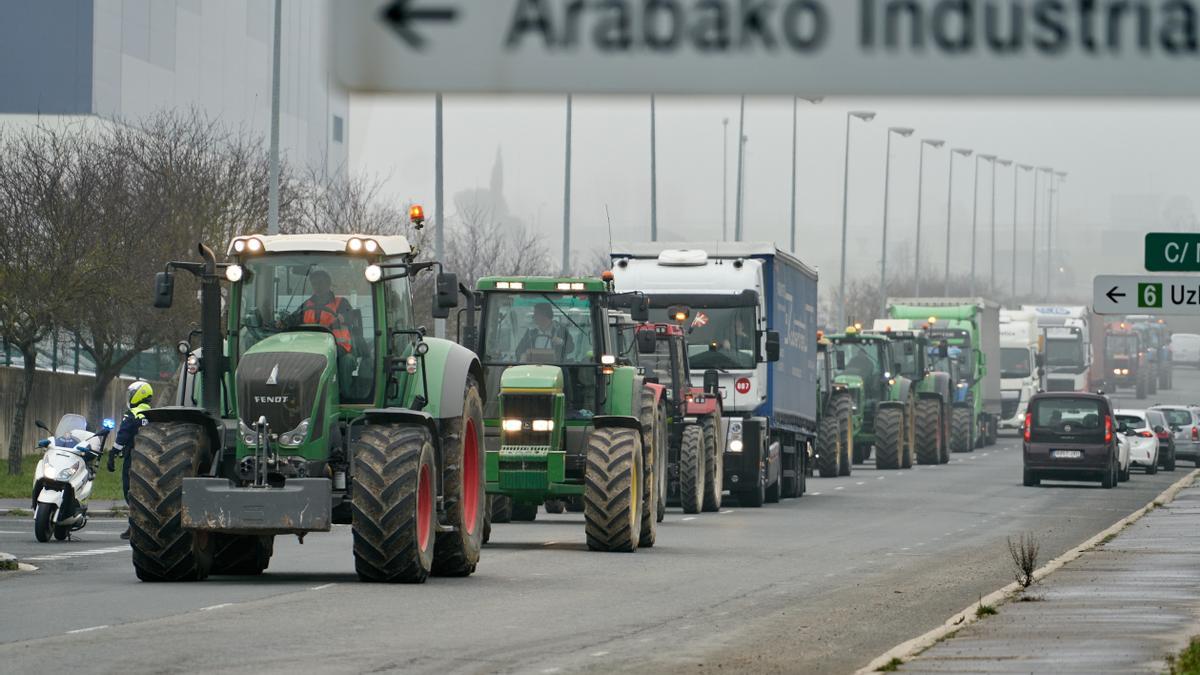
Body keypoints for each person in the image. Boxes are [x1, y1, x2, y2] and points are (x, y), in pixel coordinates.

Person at [108, 380, 153, 540]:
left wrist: (113, 453)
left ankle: (134, 526)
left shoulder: (132, 415)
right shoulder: (153, 414)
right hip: (150, 459)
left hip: (133, 458)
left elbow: (123, 436)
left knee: (130, 491)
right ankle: (140, 525)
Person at [281, 269, 355, 355]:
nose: (317, 286)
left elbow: (351, 316)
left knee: (347, 361)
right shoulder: (307, 305)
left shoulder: (341, 303)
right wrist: (283, 322)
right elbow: (294, 318)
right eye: (314, 284)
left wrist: (343, 317)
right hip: (310, 345)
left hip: (338, 346)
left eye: (320, 283)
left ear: (328, 284)